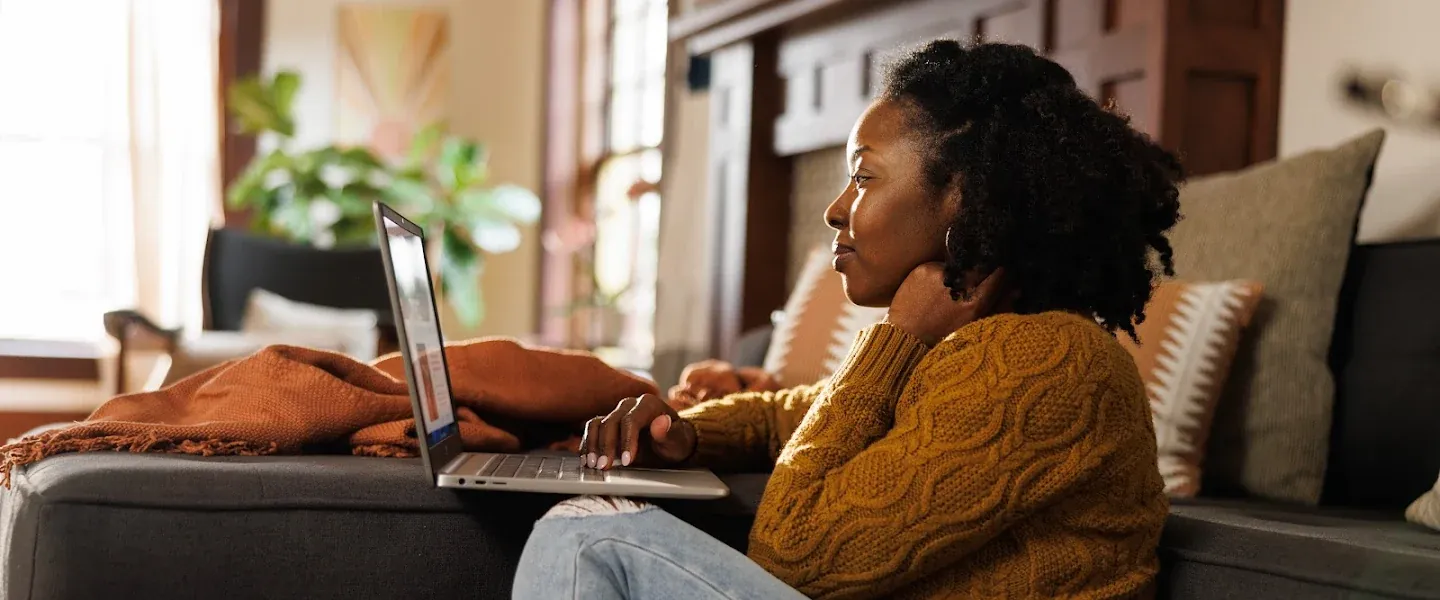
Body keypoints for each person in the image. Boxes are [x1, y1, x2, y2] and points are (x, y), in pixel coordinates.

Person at [513, 39, 1182, 599]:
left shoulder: (1047, 361)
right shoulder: (977, 346)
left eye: (863, 178)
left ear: (966, 200)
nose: (836, 209)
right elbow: (798, 414)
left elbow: (794, 555)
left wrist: (892, 340)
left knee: (591, 533)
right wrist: (682, 433)